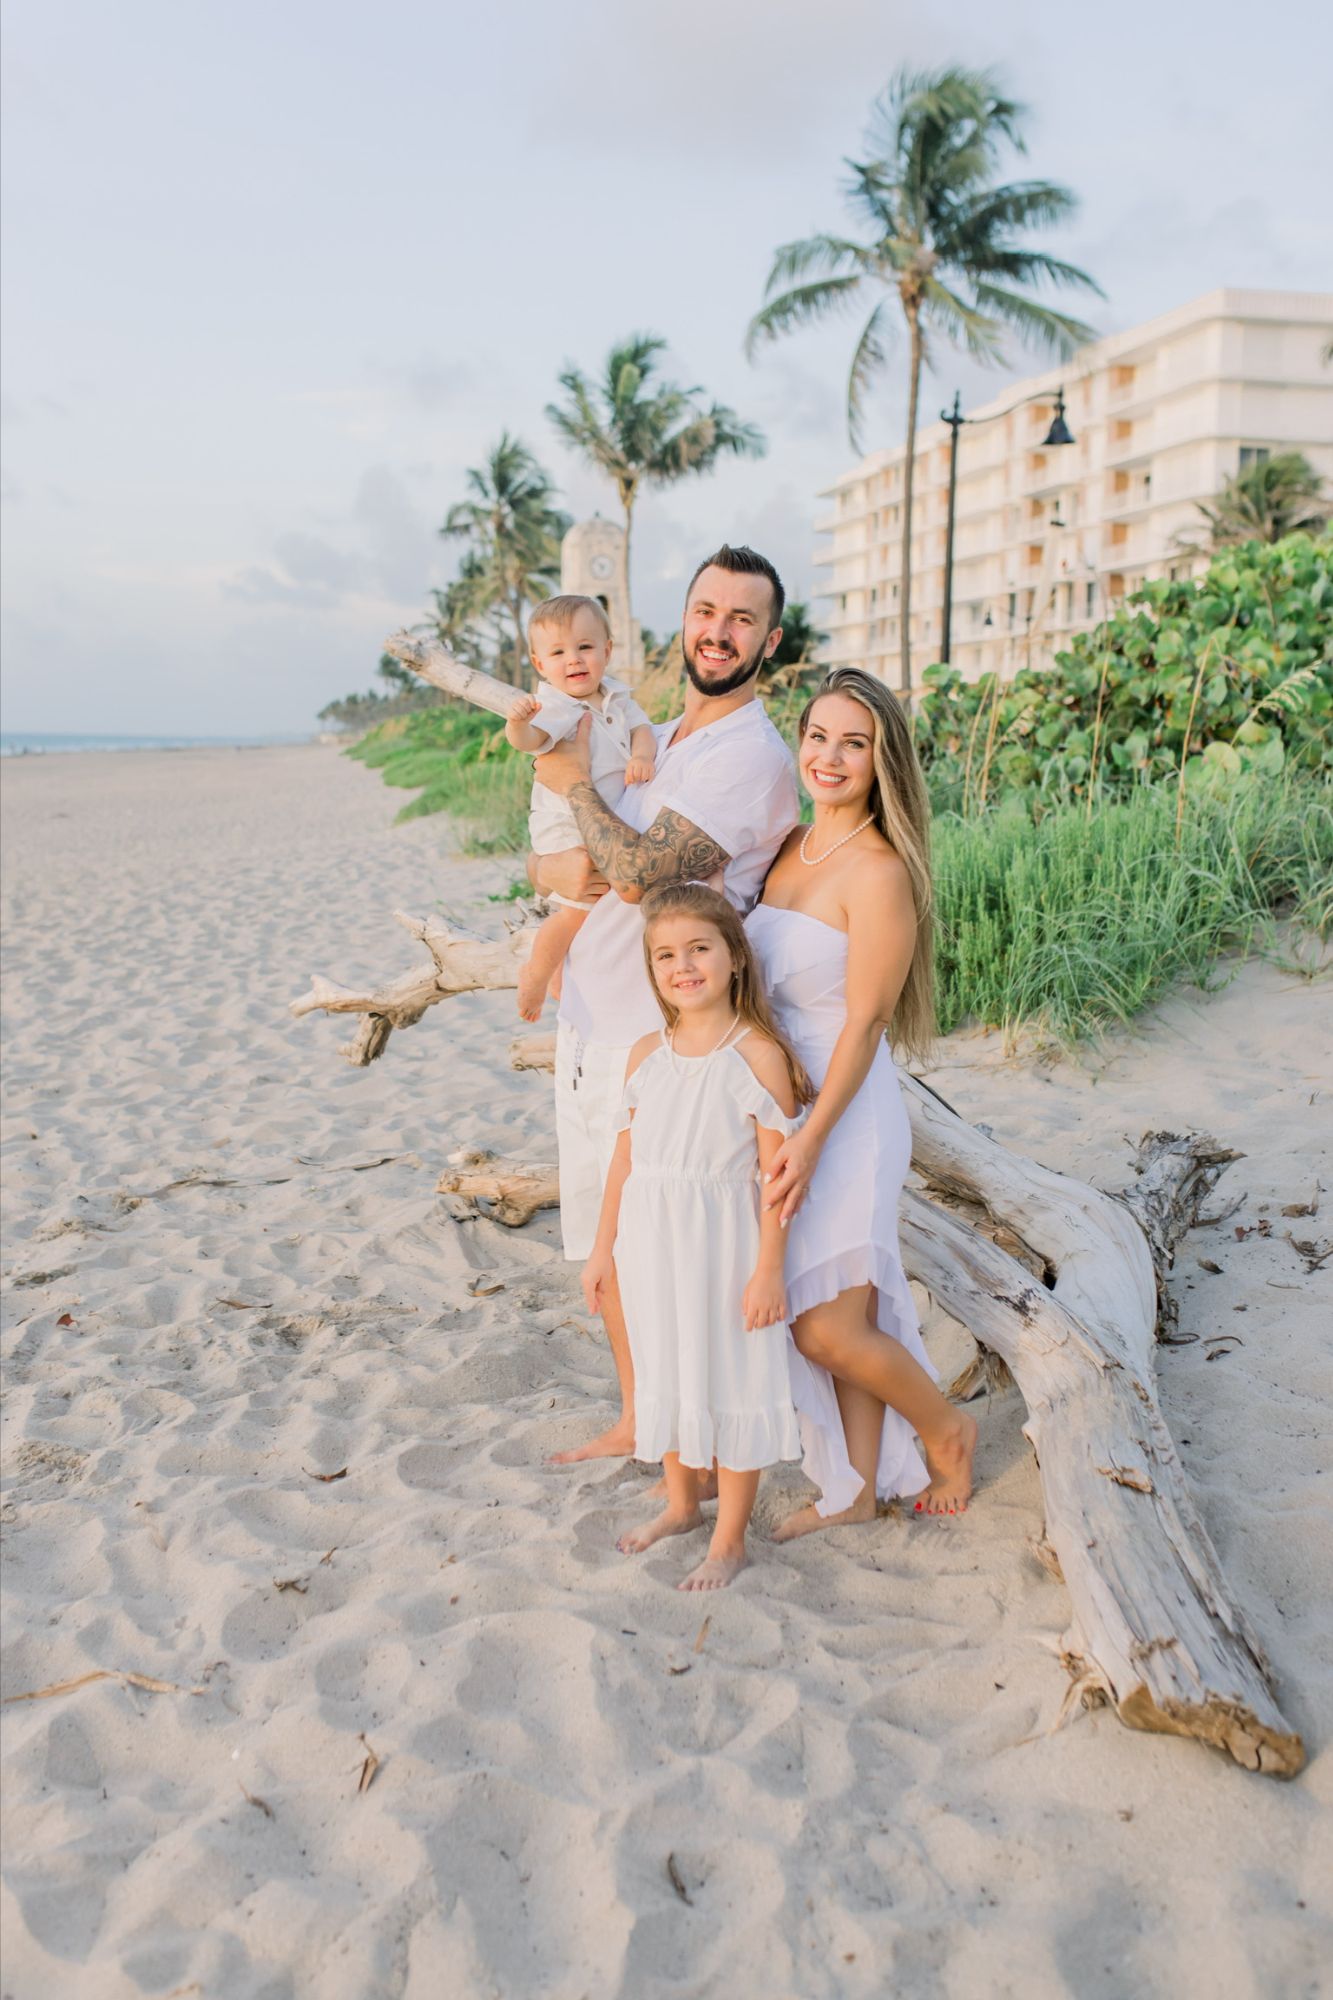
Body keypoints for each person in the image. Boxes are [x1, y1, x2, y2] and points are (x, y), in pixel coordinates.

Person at [529, 546, 799, 1465]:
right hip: (596, 1016)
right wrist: (559, 855)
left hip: (670, 1041)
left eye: (741, 619)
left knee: (657, 1248)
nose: (718, 632)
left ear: (770, 639)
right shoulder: (662, 736)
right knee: (602, 1244)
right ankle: (638, 1419)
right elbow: (558, 858)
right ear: (681, 620)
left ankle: (681, 1439)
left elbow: (640, 870)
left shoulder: (749, 755)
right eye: (705, 610)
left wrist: (568, 789)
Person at [745, 667, 978, 1526]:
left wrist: (809, 1137)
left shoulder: (878, 871)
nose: (830, 756)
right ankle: (851, 1490)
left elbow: (868, 1020)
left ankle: (947, 1431)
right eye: (817, 736)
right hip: (780, 1108)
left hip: (845, 1117)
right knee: (830, 1308)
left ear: (883, 760)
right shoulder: (784, 848)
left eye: (855, 742)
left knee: (827, 1328)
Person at [582, 883, 811, 1589]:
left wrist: (768, 1270)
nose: (683, 966)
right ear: (651, 971)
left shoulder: (757, 1053)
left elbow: (777, 1178)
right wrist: (601, 1248)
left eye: (699, 950)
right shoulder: (647, 1052)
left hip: (721, 1244)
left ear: (734, 957)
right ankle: (682, 1502)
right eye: (665, 956)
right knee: (664, 1365)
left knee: (729, 1374)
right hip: (650, 1240)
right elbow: (624, 1158)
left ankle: (728, 1537)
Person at [504, 595, 658, 1023]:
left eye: (585, 647)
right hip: (565, 825)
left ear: (607, 649)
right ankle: (537, 972)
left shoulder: (618, 699)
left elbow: (644, 730)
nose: (574, 660)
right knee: (576, 911)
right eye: (558, 653)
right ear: (539, 664)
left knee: (595, 910)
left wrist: (641, 756)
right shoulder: (555, 707)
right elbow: (531, 742)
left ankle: (558, 977)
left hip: (599, 821)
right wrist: (517, 723)